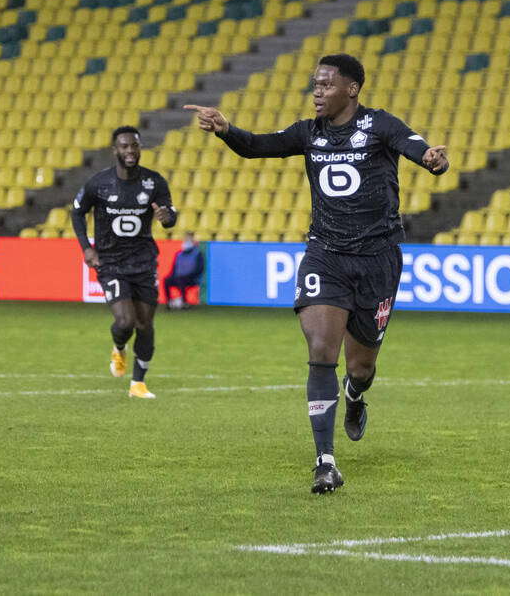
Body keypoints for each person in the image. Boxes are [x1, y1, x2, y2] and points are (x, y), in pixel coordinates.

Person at [184, 53, 449, 494]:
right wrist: (227, 130)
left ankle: (355, 394)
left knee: (361, 365)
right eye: (314, 85)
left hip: (378, 259)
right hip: (325, 255)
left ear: (352, 89)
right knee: (321, 348)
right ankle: (325, 461)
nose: (317, 92)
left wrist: (432, 159)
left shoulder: (380, 125)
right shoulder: (308, 133)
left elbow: (416, 146)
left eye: (326, 85)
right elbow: (259, 146)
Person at [70, 126, 178, 399]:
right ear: (115, 150)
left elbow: (169, 215)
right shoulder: (99, 183)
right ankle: (119, 348)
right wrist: (87, 248)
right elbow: (77, 212)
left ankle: (138, 384)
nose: (130, 151)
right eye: (125, 146)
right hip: (111, 262)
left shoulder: (154, 182)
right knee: (125, 321)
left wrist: (168, 218)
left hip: (143, 263)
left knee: (145, 324)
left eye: (135, 146)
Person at [164, 232, 204, 309]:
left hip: (191, 278)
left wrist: (191, 275)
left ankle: (184, 302)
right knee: (167, 280)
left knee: (181, 280)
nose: (186, 241)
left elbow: (199, 269)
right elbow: (174, 269)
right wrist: (172, 276)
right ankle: (169, 301)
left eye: (188, 239)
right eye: (185, 239)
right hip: (179, 277)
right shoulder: (179, 254)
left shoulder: (197, 254)